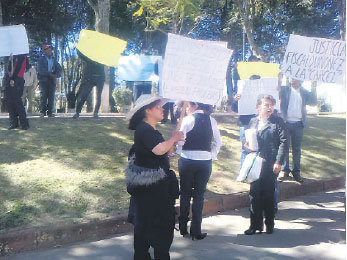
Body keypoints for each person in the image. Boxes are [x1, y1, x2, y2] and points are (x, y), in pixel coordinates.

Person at [125, 94, 184, 260]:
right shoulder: (145, 129)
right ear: (147, 110)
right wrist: (174, 138)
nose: (163, 109)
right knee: (156, 227)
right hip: (153, 191)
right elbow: (158, 150)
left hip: (152, 189)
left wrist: (173, 143)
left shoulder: (149, 129)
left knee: (146, 227)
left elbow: (162, 152)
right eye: (158, 107)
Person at [176, 102, 222, 240]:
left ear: (195, 105)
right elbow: (218, 142)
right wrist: (211, 155)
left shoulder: (188, 119)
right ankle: (196, 230)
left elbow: (180, 141)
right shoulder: (211, 120)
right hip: (204, 162)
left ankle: (183, 227)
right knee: (199, 196)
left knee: (184, 194)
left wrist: (180, 151)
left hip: (187, 160)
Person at [244, 94, 287, 235]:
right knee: (254, 194)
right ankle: (255, 225)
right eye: (266, 105)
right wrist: (246, 146)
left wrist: (279, 162)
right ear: (258, 106)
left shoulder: (278, 122)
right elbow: (248, 141)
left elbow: (284, 142)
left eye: (271, 105)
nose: (269, 108)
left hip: (270, 163)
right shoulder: (252, 121)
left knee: (268, 194)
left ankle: (269, 224)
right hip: (256, 162)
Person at [278, 75, 317, 183]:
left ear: (300, 80)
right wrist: (279, 80)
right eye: (290, 76)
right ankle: (284, 171)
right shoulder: (285, 89)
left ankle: (296, 172)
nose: (291, 78)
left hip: (298, 124)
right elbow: (276, 92)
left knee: (296, 149)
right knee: (284, 147)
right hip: (285, 123)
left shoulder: (304, 92)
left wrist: (314, 87)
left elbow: (313, 103)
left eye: (294, 77)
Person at [73, 52, 105, 119]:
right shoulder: (90, 57)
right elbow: (81, 55)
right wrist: (78, 47)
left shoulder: (103, 58)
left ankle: (96, 112)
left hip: (100, 78)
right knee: (84, 95)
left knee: (98, 96)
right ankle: (77, 112)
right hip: (90, 78)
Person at [4, 54, 29, 130]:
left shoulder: (22, 56)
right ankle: (14, 122)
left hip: (18, 79)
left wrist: (13, 79)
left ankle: (24, 123)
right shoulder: (13, 56)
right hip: (10, 79)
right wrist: (10, 60)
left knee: (17, 101)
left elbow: (18, 68)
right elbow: (9, 69)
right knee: (9, 101)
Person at [37, 44, 61, 118]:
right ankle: (42, 112)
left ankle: (50, 112)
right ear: (44, 51)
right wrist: (49, 74)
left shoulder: (54, 59)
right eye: (47, 50)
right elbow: (41, 70)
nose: (49, 51)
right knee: (43, 96)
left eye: (50, 49)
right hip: (43, 80)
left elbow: (59, 68)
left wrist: (57, 75)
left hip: (52, 81)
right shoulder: (41, 59)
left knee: (51, 96)